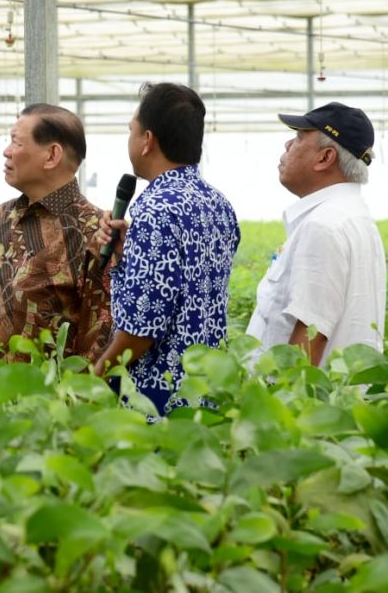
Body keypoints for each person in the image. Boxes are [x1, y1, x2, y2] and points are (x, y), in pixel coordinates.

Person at [94, 83, 240, 416]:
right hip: (206, 387)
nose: (129, 139)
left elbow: (141, 331)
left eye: (131, 130)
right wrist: (124, 257)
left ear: (147, 141)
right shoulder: (218, 204)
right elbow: (187, 286)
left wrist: (95, 377)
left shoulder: (156, 209)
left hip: (159, 397)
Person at [0, 104, 112, 361]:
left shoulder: (95, 230)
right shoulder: (1, 218)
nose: (6, 151)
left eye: (16, 142)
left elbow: (98, 339)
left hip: (50, 396)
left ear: (51, 156)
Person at [246, 102, 385, 365]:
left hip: (303, 403)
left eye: (299, 138)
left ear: (325, 158)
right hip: (342, 400)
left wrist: (287, 402)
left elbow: (310, 336)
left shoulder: (324, 225)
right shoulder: (354, 216)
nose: (288, 145)